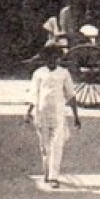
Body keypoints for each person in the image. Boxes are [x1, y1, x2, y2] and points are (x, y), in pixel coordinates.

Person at [25, 41, 82, 188]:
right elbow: (33, 93)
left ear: (58, 58)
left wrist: (76, 116)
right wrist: (28, 112)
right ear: (44, 58)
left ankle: (53, 176)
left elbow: (70, 95)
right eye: (48, 57)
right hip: (41, 112)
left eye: (54, 57)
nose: (51, 60)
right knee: (44, 145)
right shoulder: (39, 73)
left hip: (58, 113)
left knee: (57, 143)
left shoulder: (63, 73)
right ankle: (47, 172)